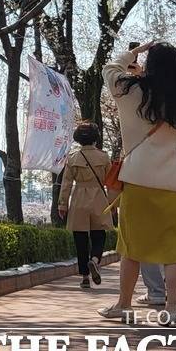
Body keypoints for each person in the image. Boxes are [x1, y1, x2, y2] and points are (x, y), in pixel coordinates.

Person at [100, 41, 176, 325]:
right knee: (173, 250)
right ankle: (171, 308)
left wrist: (133, 53)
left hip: (137, 180)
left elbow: (109, 69)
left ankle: (123, 304)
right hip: (172, 183)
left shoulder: (131, 90)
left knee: (131, 247)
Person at [137, 131, 176, 307]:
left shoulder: (148, 129)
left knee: (147, 242)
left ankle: (156, 291)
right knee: (173, 245)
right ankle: (172, 302)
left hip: (149, 185)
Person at [58, 123, 113, 289]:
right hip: (98, 199)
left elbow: (66, 183)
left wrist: (62, 204)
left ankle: (84, 277)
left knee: (80, 239)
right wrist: (113, 203)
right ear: (95, 138)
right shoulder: (104, 157)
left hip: (79, 199)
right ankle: (95, 260)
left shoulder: (73, 158)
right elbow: (110, 182)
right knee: (99, 235)